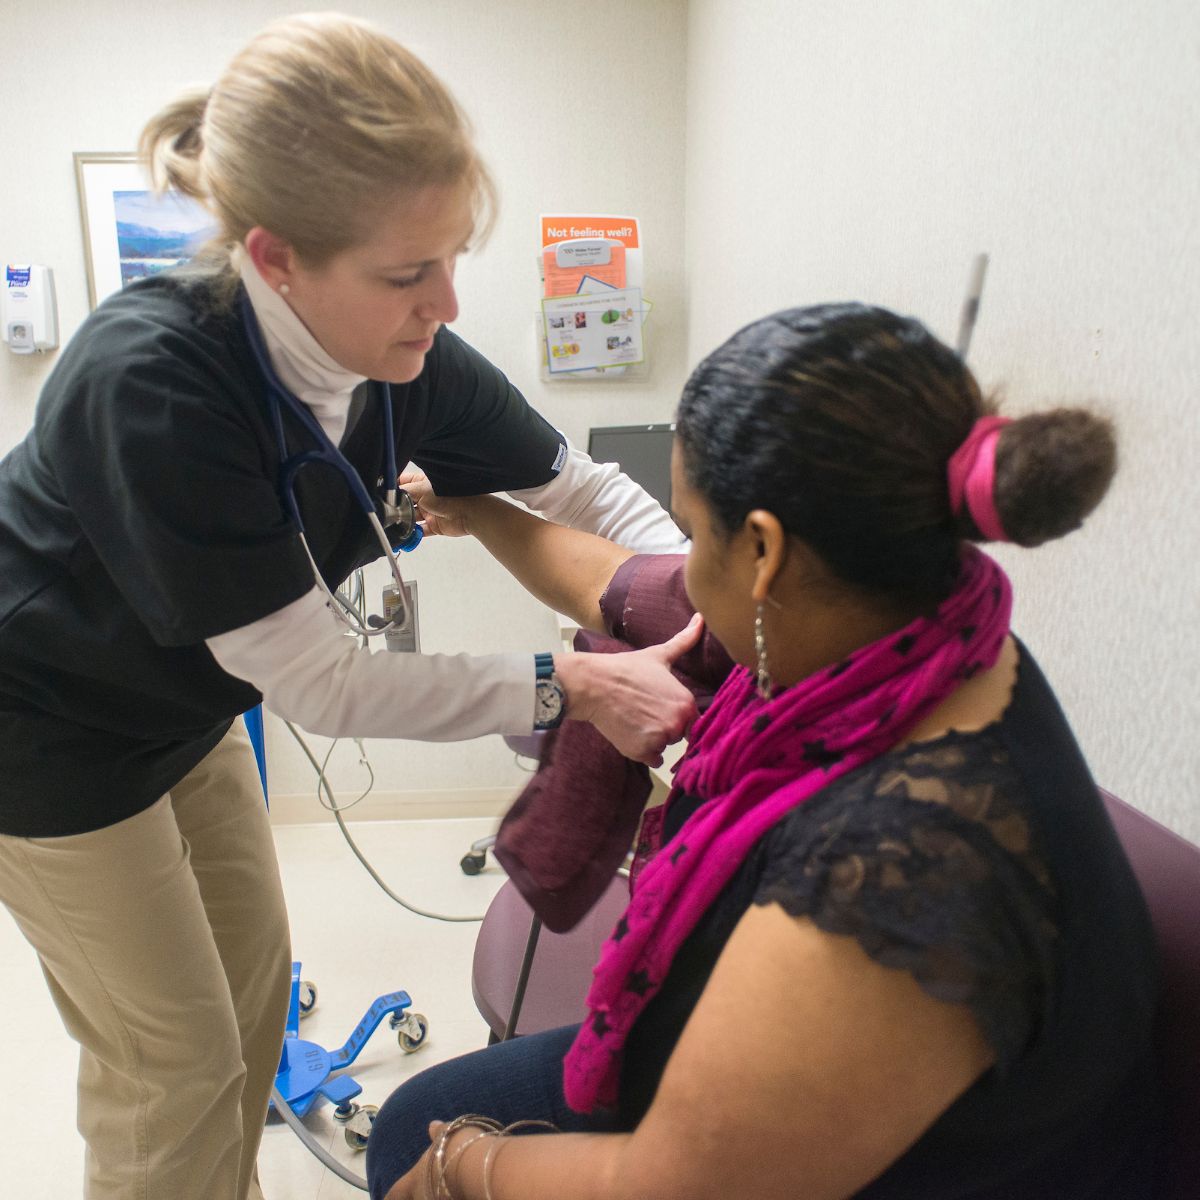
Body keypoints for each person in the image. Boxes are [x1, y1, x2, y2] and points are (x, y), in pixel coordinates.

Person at [0, 14, 697, 1200]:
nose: (448, 302)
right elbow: (323, 684)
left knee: (251, 1010)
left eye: (449, 259)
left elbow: (573, 484)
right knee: (173, 1059)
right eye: (407, 273)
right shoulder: (156, 383)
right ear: (276, 259)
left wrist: (688, 590)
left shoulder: (403, 354)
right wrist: (570, 681)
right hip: (43, 732)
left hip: (185, 709)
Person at [364, 303, 1165, 1200]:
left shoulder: (904, 871)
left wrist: (459, 1165)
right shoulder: (899, 617)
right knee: (408, 1119)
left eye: (694, 529)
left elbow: (671, 1184)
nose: (682, 556)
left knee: (409, 1140)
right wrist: (471, 504)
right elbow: (605, 581)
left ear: (765, 553)